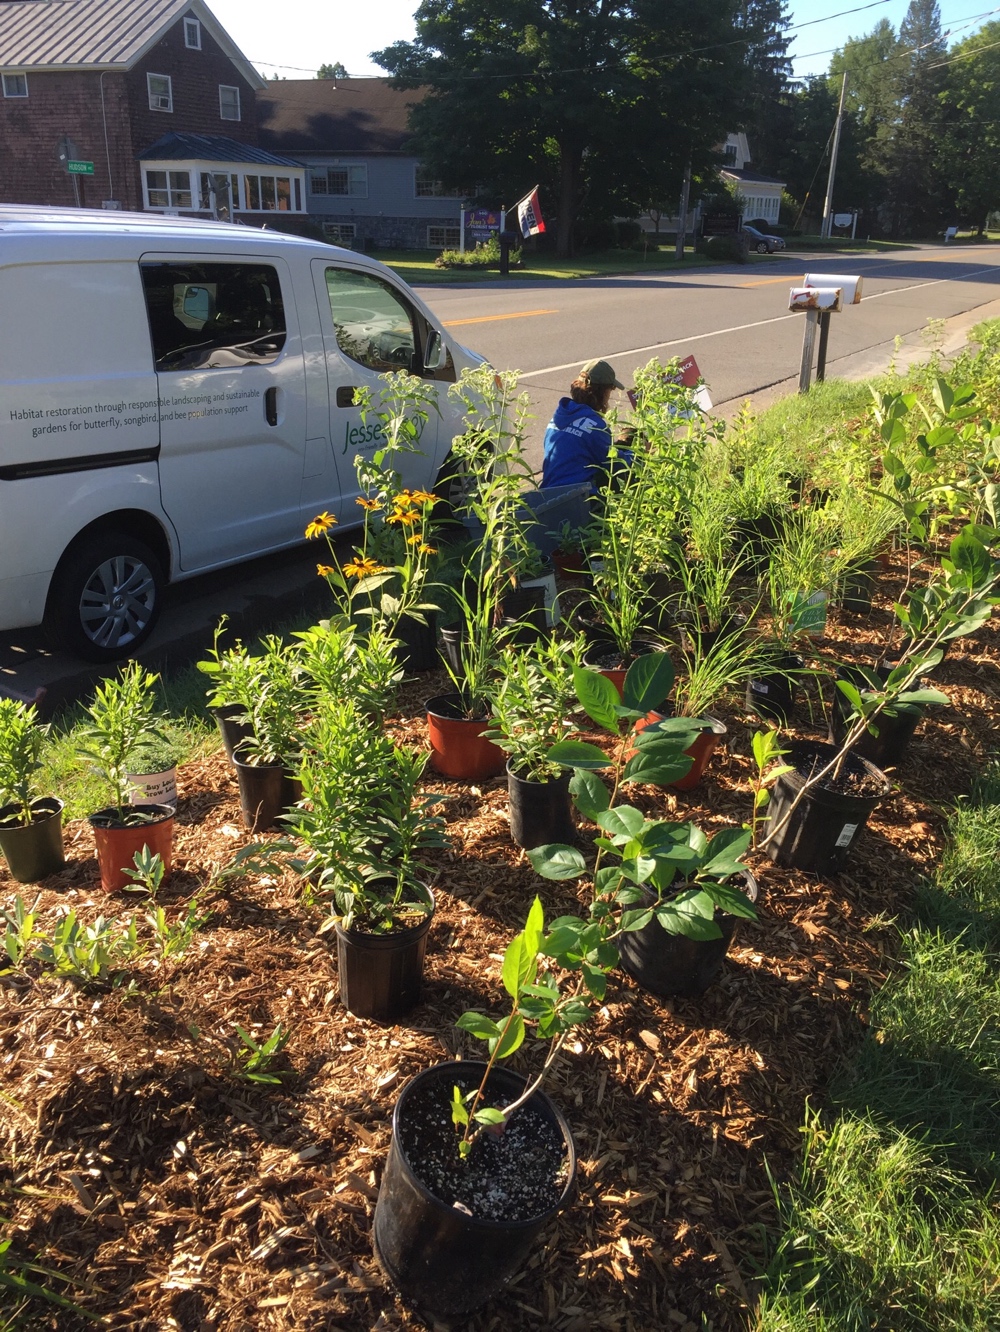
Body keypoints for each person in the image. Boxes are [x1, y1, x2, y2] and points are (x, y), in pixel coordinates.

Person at [541, 358, 631, 493]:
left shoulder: (559, 415)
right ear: (602, 392)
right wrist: (637, 454)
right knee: (628, 476)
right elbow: (616, 464)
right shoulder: (594, 425)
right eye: (610, 390)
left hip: (548, 493)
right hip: (576, 498)